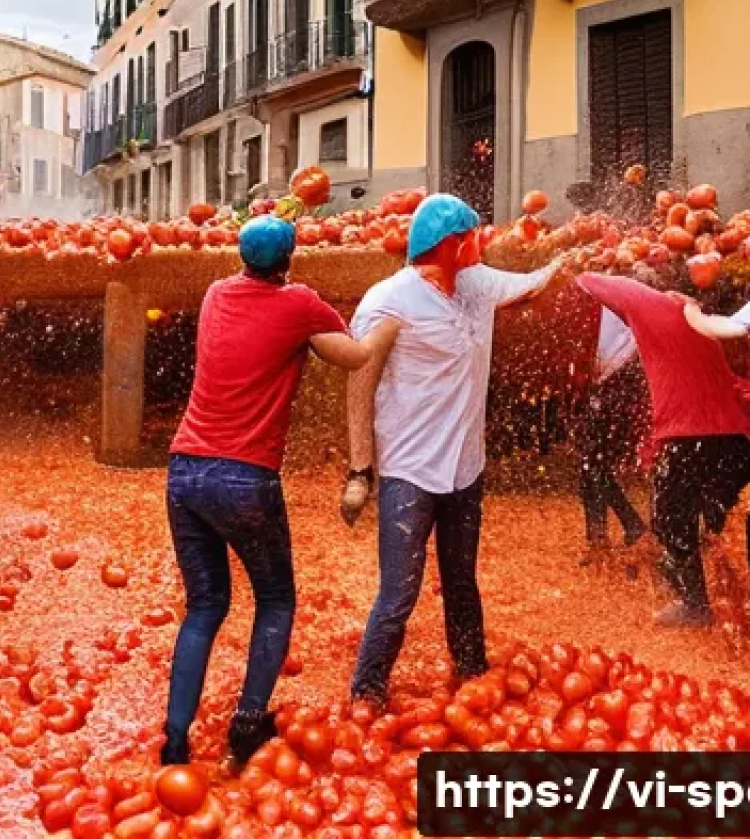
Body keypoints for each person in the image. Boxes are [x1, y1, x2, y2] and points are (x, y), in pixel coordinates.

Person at [162, 216, 399, 766]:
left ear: (242, 257)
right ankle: (247, 726)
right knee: (274, 599)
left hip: (185, 470)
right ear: (289, 261)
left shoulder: (216, 294)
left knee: (203, 607)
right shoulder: (299, 305)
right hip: (245, 478)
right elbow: (355, 357)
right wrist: (388, 326)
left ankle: (174, 741)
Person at [342, 194, 561, 705]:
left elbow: (530, 284)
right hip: (410, 469)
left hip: (466, 465)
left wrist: (567, 264)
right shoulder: (388, 300)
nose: (481, 243)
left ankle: (470, 669)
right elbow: (360, 380)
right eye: (473, 236)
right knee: (399, 592)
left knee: (461, 579)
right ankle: (367, 690)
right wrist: (359, 469)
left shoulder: (477, 283)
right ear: (451, 244)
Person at [577, 273, 750, 626]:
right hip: (734, 436)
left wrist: (572, 268)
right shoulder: (694, 322)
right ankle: (738, 601)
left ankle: (695, 605)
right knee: (722, 521)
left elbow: (595, 281)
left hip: (689, 434)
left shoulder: (650, 306)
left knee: (669, 518)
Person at [576, 307, 649, 564]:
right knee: (590, 468)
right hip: (600, 387)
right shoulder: (591, 305)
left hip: (619, 385)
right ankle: (602, 537)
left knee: (594, 466)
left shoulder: (619, 300)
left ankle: (625, 529)